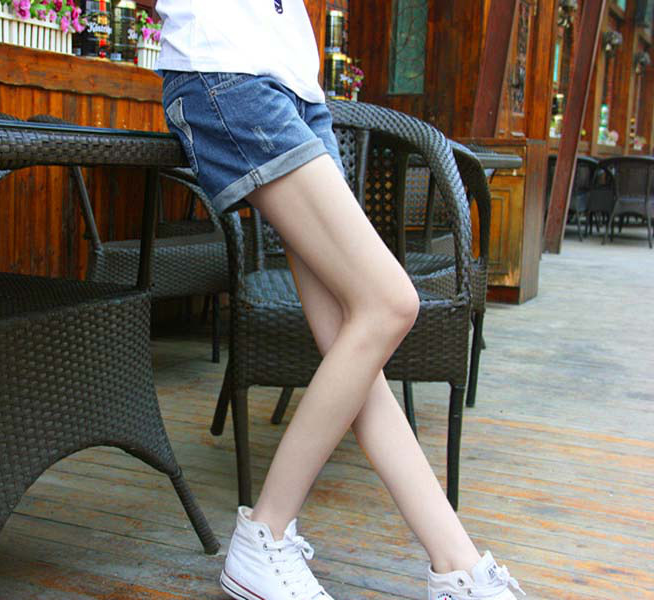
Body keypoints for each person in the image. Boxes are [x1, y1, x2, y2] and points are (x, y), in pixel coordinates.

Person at [153, 2, 526, 599]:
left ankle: (458, 568)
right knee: (389, 303)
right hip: (229, 73)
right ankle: (265, 533)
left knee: (356, 353)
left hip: (298, 87)